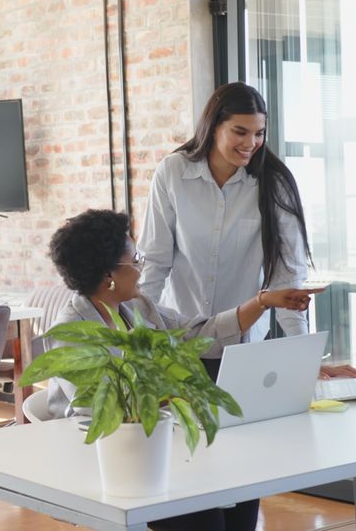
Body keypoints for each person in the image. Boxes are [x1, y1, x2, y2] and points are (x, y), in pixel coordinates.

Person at [45, 209, 323, 531]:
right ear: (109, 274)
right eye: (136, 260)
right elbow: (106, 407)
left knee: (244, 486)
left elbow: (200, 334)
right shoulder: (71, 331)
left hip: (159, 442)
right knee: (204, 517)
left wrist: (263, 302)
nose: (141, 268)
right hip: (108, 456)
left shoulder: (137, 308)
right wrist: (182, 395)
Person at [138, 82, 356, 380]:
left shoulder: (274, 183)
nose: (251, 143)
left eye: (259, 133)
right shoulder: (173, 173)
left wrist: (305, 359)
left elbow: (287, 279)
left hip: (243, 347)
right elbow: (154, 262)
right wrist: (138, 337)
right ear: (214, 126)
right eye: (240, 132)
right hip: (179, 342)